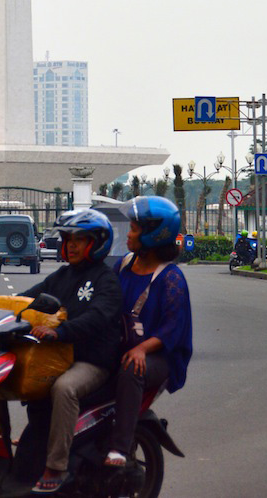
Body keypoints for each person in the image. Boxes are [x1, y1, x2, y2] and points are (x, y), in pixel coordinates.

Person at [17, 208, 121, 494]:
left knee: (64, 388)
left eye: (80, 239)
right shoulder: (61, 276)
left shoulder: (106, 280)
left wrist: (60, 331)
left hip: (92, 361)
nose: (71, 245)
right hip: (60, 356)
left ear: (96, 243)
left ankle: (56, 466)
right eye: (68, 239)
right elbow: (26, 299)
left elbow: (98, 316)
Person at [104, 196, 192, 469]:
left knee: (132, 368)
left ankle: (119, 447)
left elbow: (173, 329)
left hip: (159, 355)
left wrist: (142, 348)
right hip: (124, 344)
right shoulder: (123, 265)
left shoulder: (171, 278)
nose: (128, 234)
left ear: (154, 235)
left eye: (134, 229)